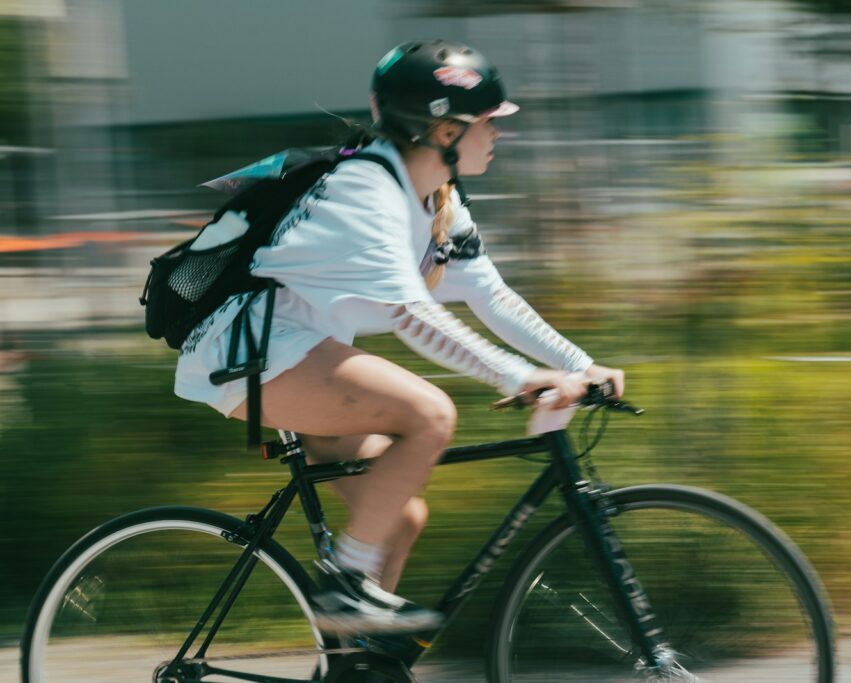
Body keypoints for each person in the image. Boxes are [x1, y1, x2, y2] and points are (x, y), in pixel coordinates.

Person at [173, 39, 625, 636]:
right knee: (429, 414)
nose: (498, 132)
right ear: (445, 131)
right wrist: (517, 376)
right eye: (487, 121)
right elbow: (412, 316)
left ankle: (357, 663)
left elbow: (492, 297)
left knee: (398, 517)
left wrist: (579, 364)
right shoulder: (365, 189)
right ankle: (343, 586)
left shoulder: (437, 199)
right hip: (250, 352)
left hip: (297, 352)